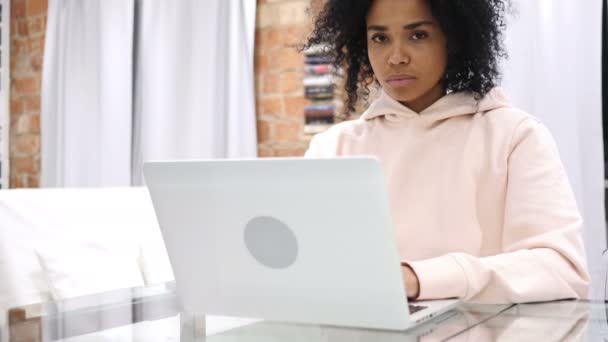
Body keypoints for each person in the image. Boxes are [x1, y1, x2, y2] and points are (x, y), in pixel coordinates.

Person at [303, 0, 589, 303]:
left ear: (453, 39)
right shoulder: (333, 147)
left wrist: (418, 279)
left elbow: (561, 270)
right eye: (380, 38)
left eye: (418, 35)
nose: (396, 57)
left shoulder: (514, 136)